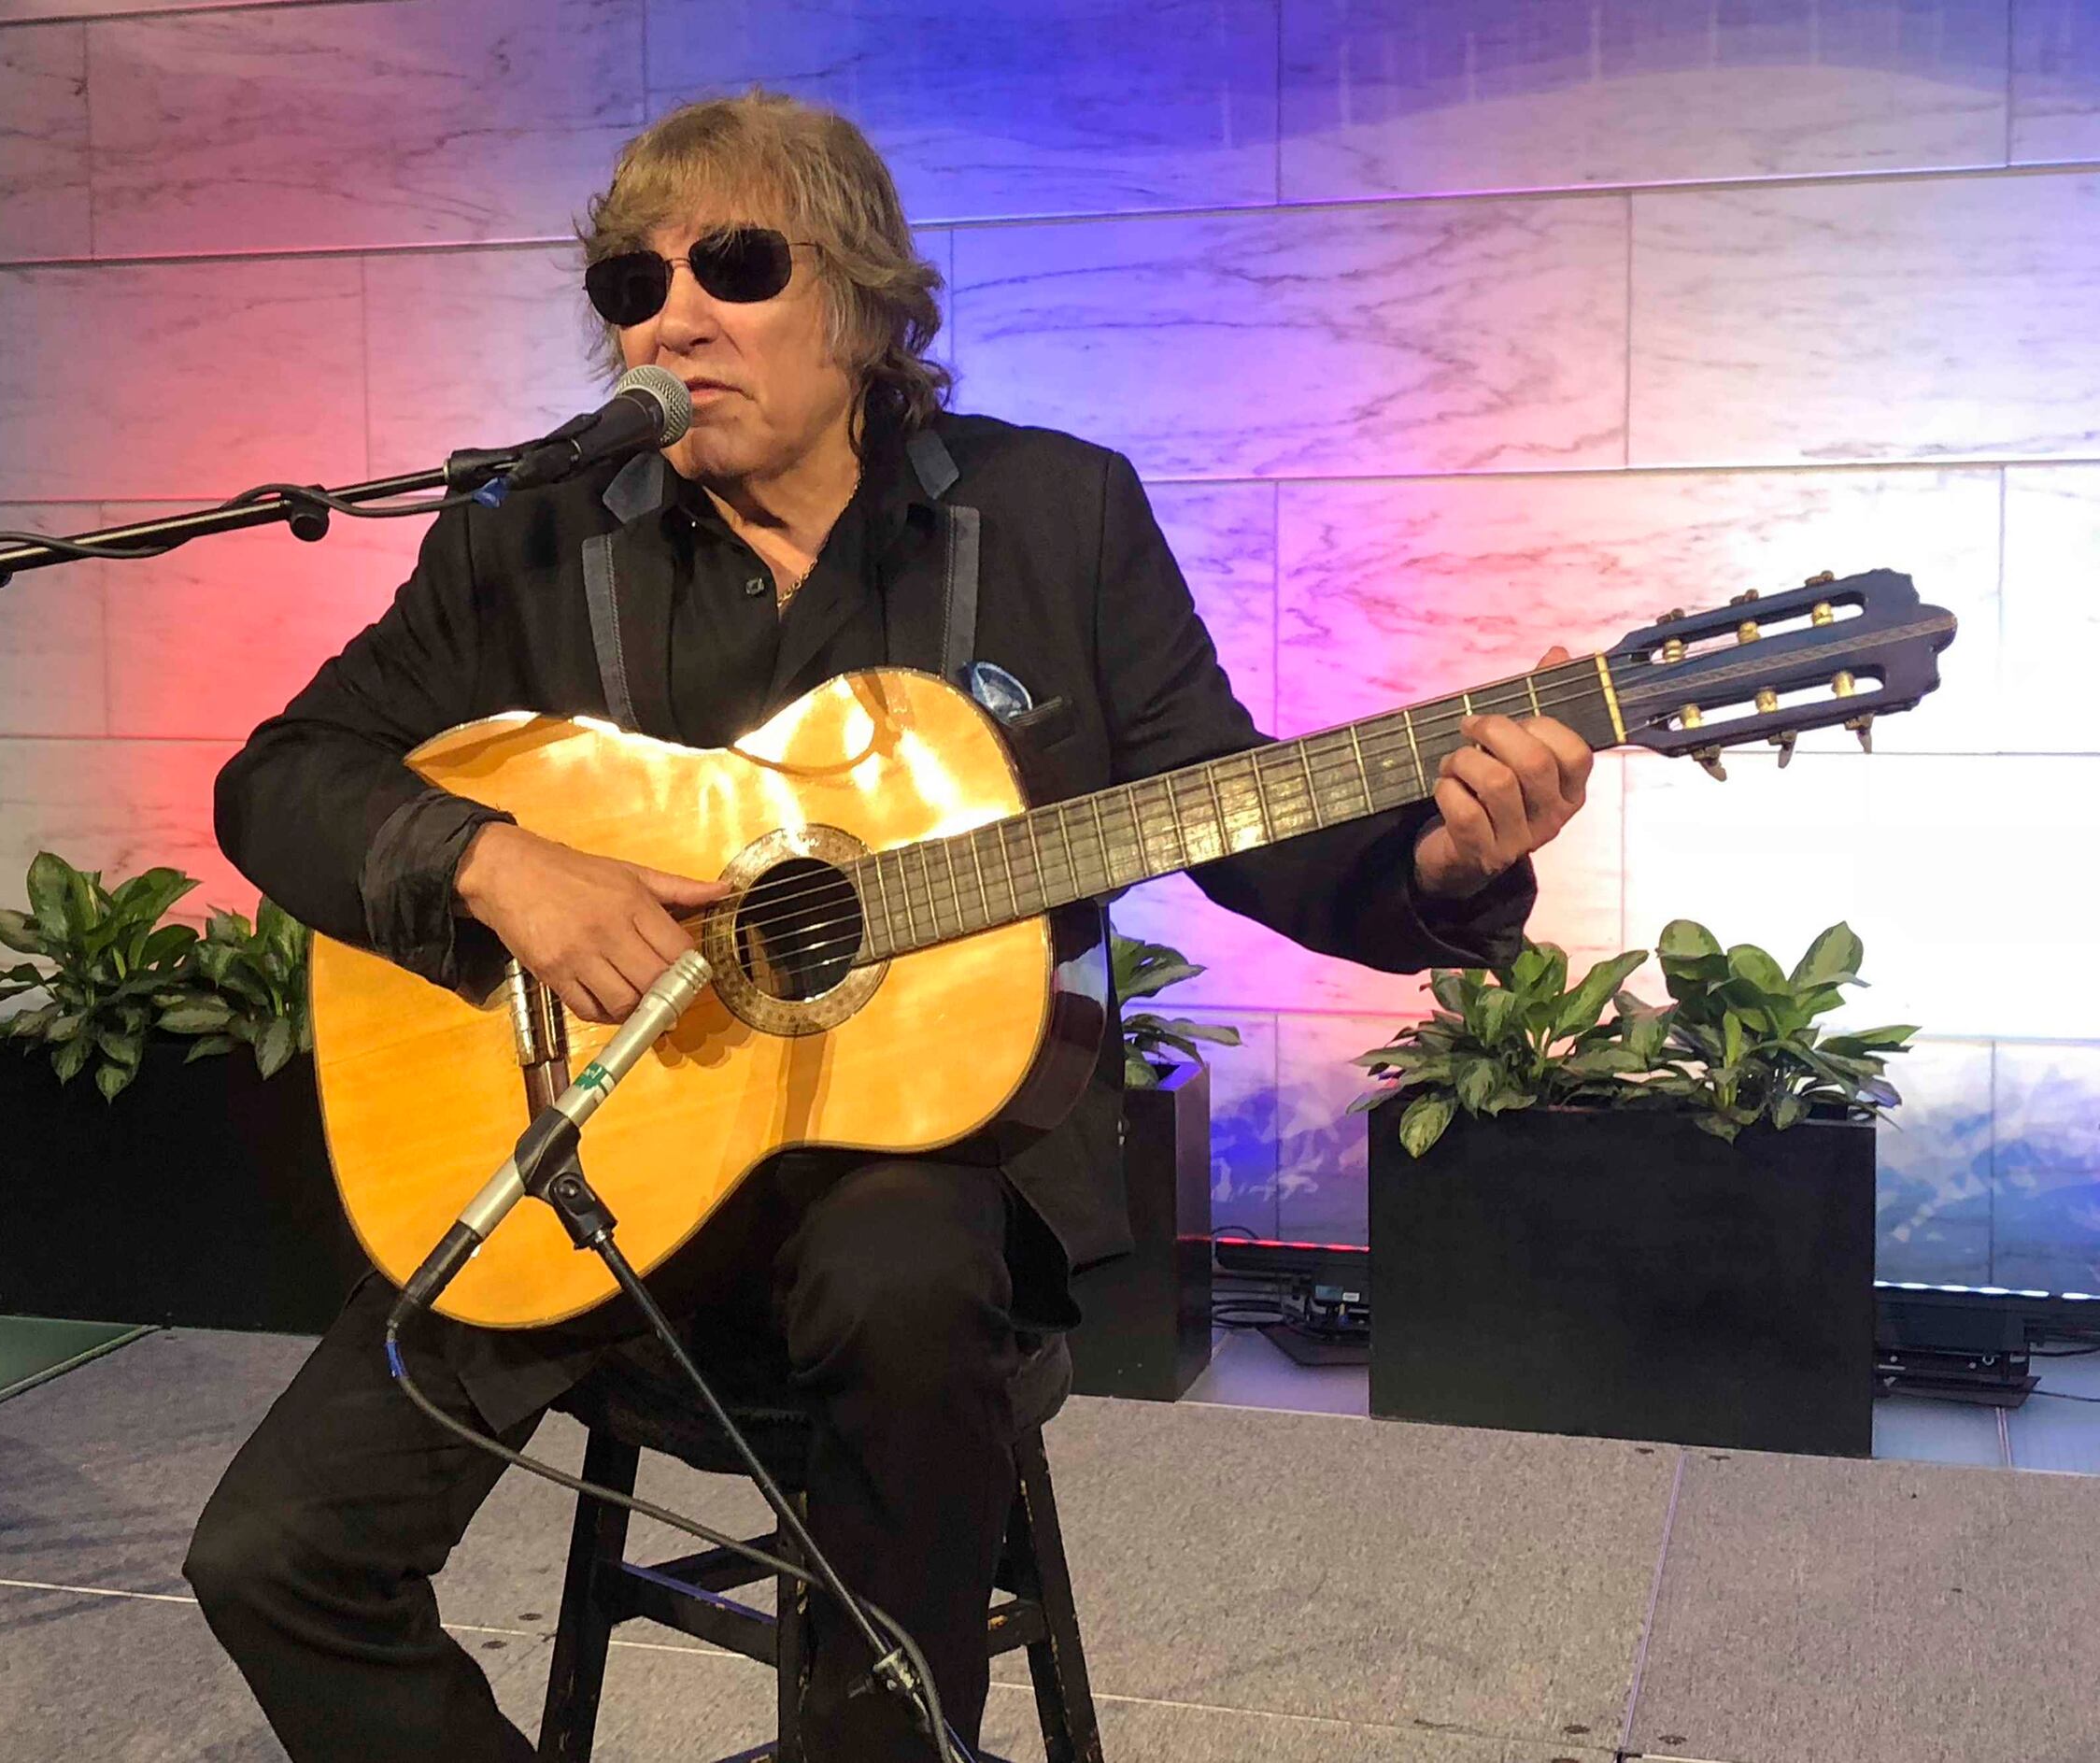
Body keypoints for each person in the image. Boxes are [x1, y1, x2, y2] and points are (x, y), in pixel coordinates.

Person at [183, 90, 1594, 1763]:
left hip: (924, 1167)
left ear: (860, 299)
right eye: (633, 286)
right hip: (589, 1164)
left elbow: (1227, 809)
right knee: (270, 1557)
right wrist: (495, 863)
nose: (675, 314)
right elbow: (281, 781)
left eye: (736, 263)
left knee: (902, 1279)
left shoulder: (1056, 517)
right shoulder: (532, 541)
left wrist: (1438, 877)